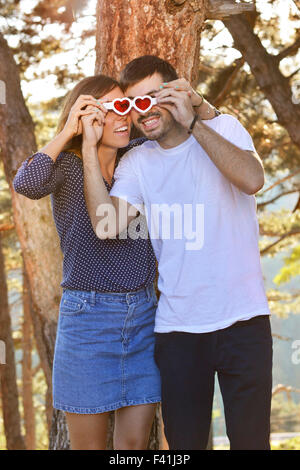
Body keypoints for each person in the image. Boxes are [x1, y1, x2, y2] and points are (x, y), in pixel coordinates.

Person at [13, 73, 217, 450]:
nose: (123, 118)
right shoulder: (67, 166)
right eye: (112, 109)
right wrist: (71, 130)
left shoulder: (138, 156)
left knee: (135, 448)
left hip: (144, 315)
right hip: (87, 321)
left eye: (126, 106)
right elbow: (26, 183)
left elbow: (186, 142)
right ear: (87, 116)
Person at [83, 56, 273, 450]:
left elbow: (253, 179)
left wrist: (194, 121)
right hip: (178, 332)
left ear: (179, 93)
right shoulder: (136, 162)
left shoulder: (224, 127)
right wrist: (87, 146)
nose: (145, 109)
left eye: (156, 96)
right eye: (135, 102)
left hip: (245, 322)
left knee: (252, 443)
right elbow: (105, 225)